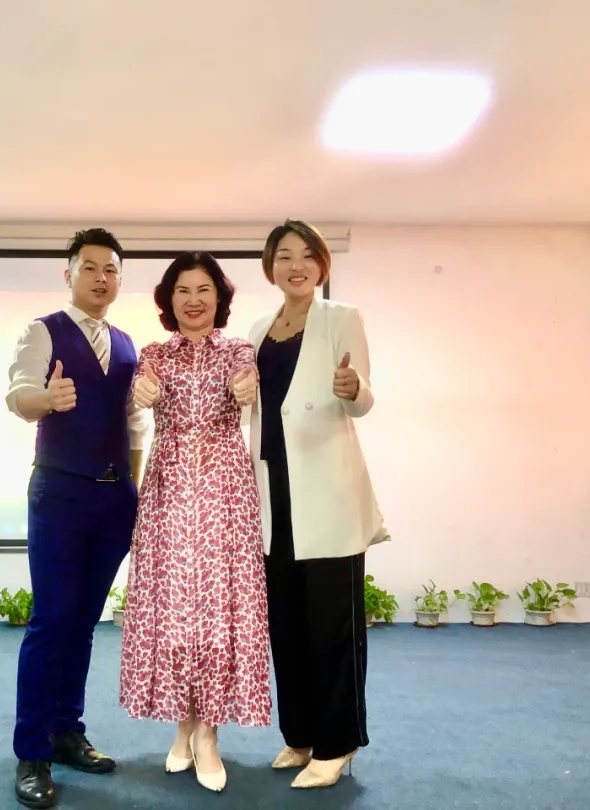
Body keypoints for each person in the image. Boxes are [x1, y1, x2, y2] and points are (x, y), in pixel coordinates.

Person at [5, 227, 149, 809]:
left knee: (85, 623)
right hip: (60, 493)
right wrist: (47, 399)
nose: (100, 278)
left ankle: (67, 732)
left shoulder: (128, 344)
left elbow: (135, 426)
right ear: (69, 275)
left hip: (114, 500)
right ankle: (32, 751)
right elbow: (19, 396)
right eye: (89, 267)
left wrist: (132, 490)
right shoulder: (43, 330)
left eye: (111, 269)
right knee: (52, 621)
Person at [118, 251, 271, 793]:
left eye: (204, 289)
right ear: (169, 299)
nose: (193, 300)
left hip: (224, 492)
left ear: (219, 297)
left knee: (218, 611)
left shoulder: (239, 350)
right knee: (174, 611)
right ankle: (184, 724)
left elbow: (247, 383)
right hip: (169, 490)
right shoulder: (154, 353)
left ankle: (208, 733)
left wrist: (247, 389)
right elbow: (141, 390)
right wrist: (141, 391)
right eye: (182, 290)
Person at [248, 219, 390, 790]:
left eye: (308, 255)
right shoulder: (258, 329)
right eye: (285, 255)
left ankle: (337, 744)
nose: (296, 265)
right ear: (270, 266)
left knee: (333, 627)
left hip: (326, 492)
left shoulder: (341, 317)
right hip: (271, 493)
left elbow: (363, 395)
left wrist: (354, 390)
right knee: (285, 624)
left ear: (322, 264)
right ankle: (300, 735)